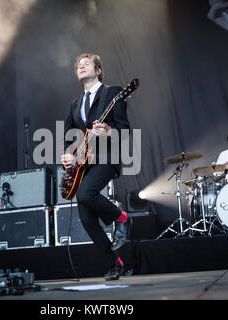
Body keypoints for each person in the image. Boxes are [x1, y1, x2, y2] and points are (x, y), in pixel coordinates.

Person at [60, 53, 131, 281]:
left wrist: (110, 132)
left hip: (106, 157)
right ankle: (114, 263)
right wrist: (68, 154)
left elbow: (125, 131)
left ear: (98, 70)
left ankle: (121, 218)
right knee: (87, 219)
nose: (81, 66)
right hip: (83, 165)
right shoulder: (75, 104)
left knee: (85, 194)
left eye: (86, 63)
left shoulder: (113, 93)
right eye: (78, 64)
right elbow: (68, 136)